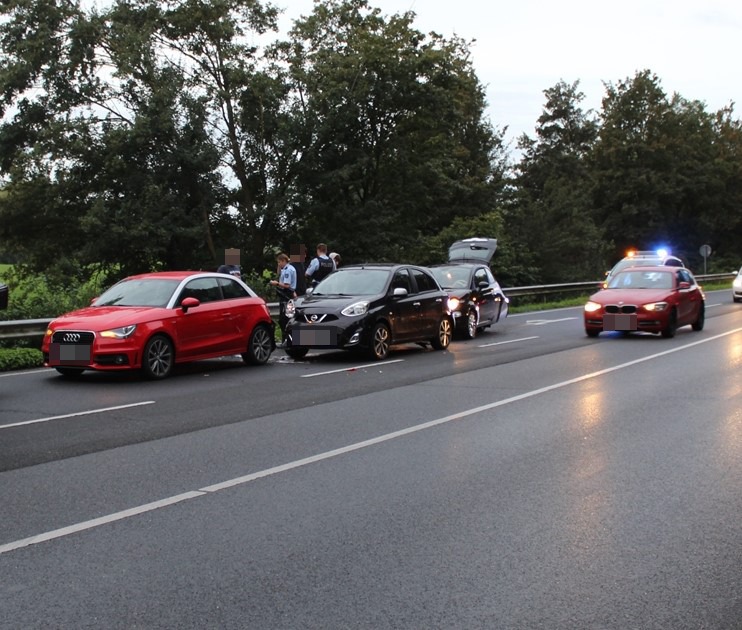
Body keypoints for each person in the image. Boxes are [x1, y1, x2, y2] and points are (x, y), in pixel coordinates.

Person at [270, 253, 297, 345]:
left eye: (279, 262)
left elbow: (286, 285)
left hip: (286, 295)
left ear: (283, 261)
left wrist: (276, 283)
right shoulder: (287, 268)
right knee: (286, 317)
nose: (278, 264)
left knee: (284, 319)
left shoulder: (288, 270)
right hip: (288, 294)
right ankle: (286, 339)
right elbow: (279, 273)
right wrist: (279, 267)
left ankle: (287, 339)